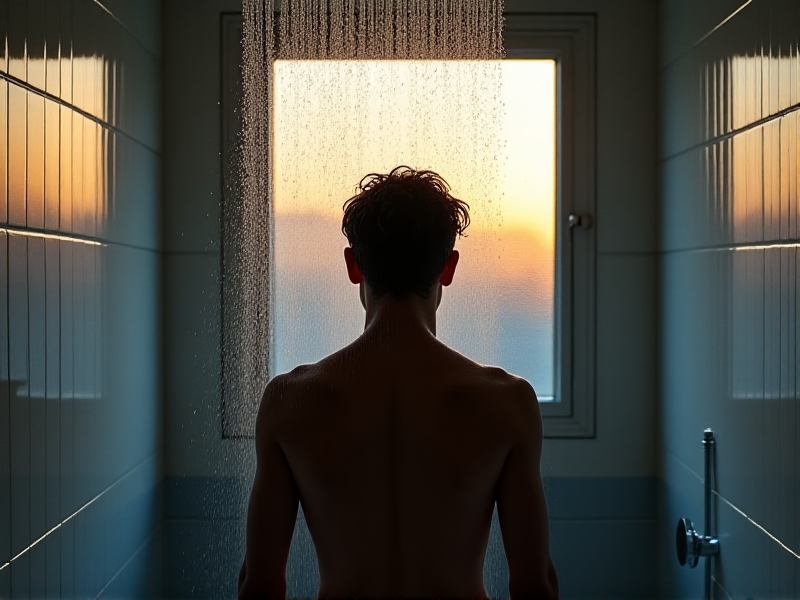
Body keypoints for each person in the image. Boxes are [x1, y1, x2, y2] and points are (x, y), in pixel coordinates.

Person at [238, 166, 558, 599]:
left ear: (354, 265)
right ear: (449, 267)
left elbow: (259, 585)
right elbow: (533, 586)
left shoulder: (290, 400)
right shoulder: (507, 402)